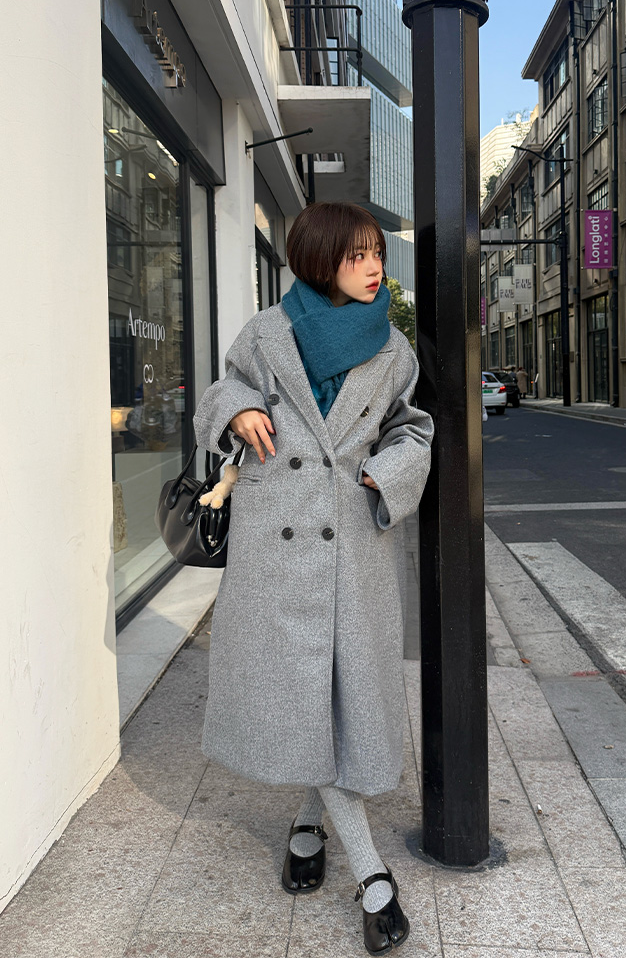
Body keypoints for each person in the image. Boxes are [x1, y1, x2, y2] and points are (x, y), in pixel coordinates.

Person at [193, 201, 433, 955]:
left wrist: (387, 472)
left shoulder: (392, 348)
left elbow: (411, 426)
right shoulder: (267, 333)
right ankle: (372, 876)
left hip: (353, 539)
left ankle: (307, 823)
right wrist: (237, 411)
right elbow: (224, 387)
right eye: (358, 255)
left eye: (377, 254)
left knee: (337, 692)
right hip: (276, 542)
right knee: (302, 688)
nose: (374, 268)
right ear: (321, 258)